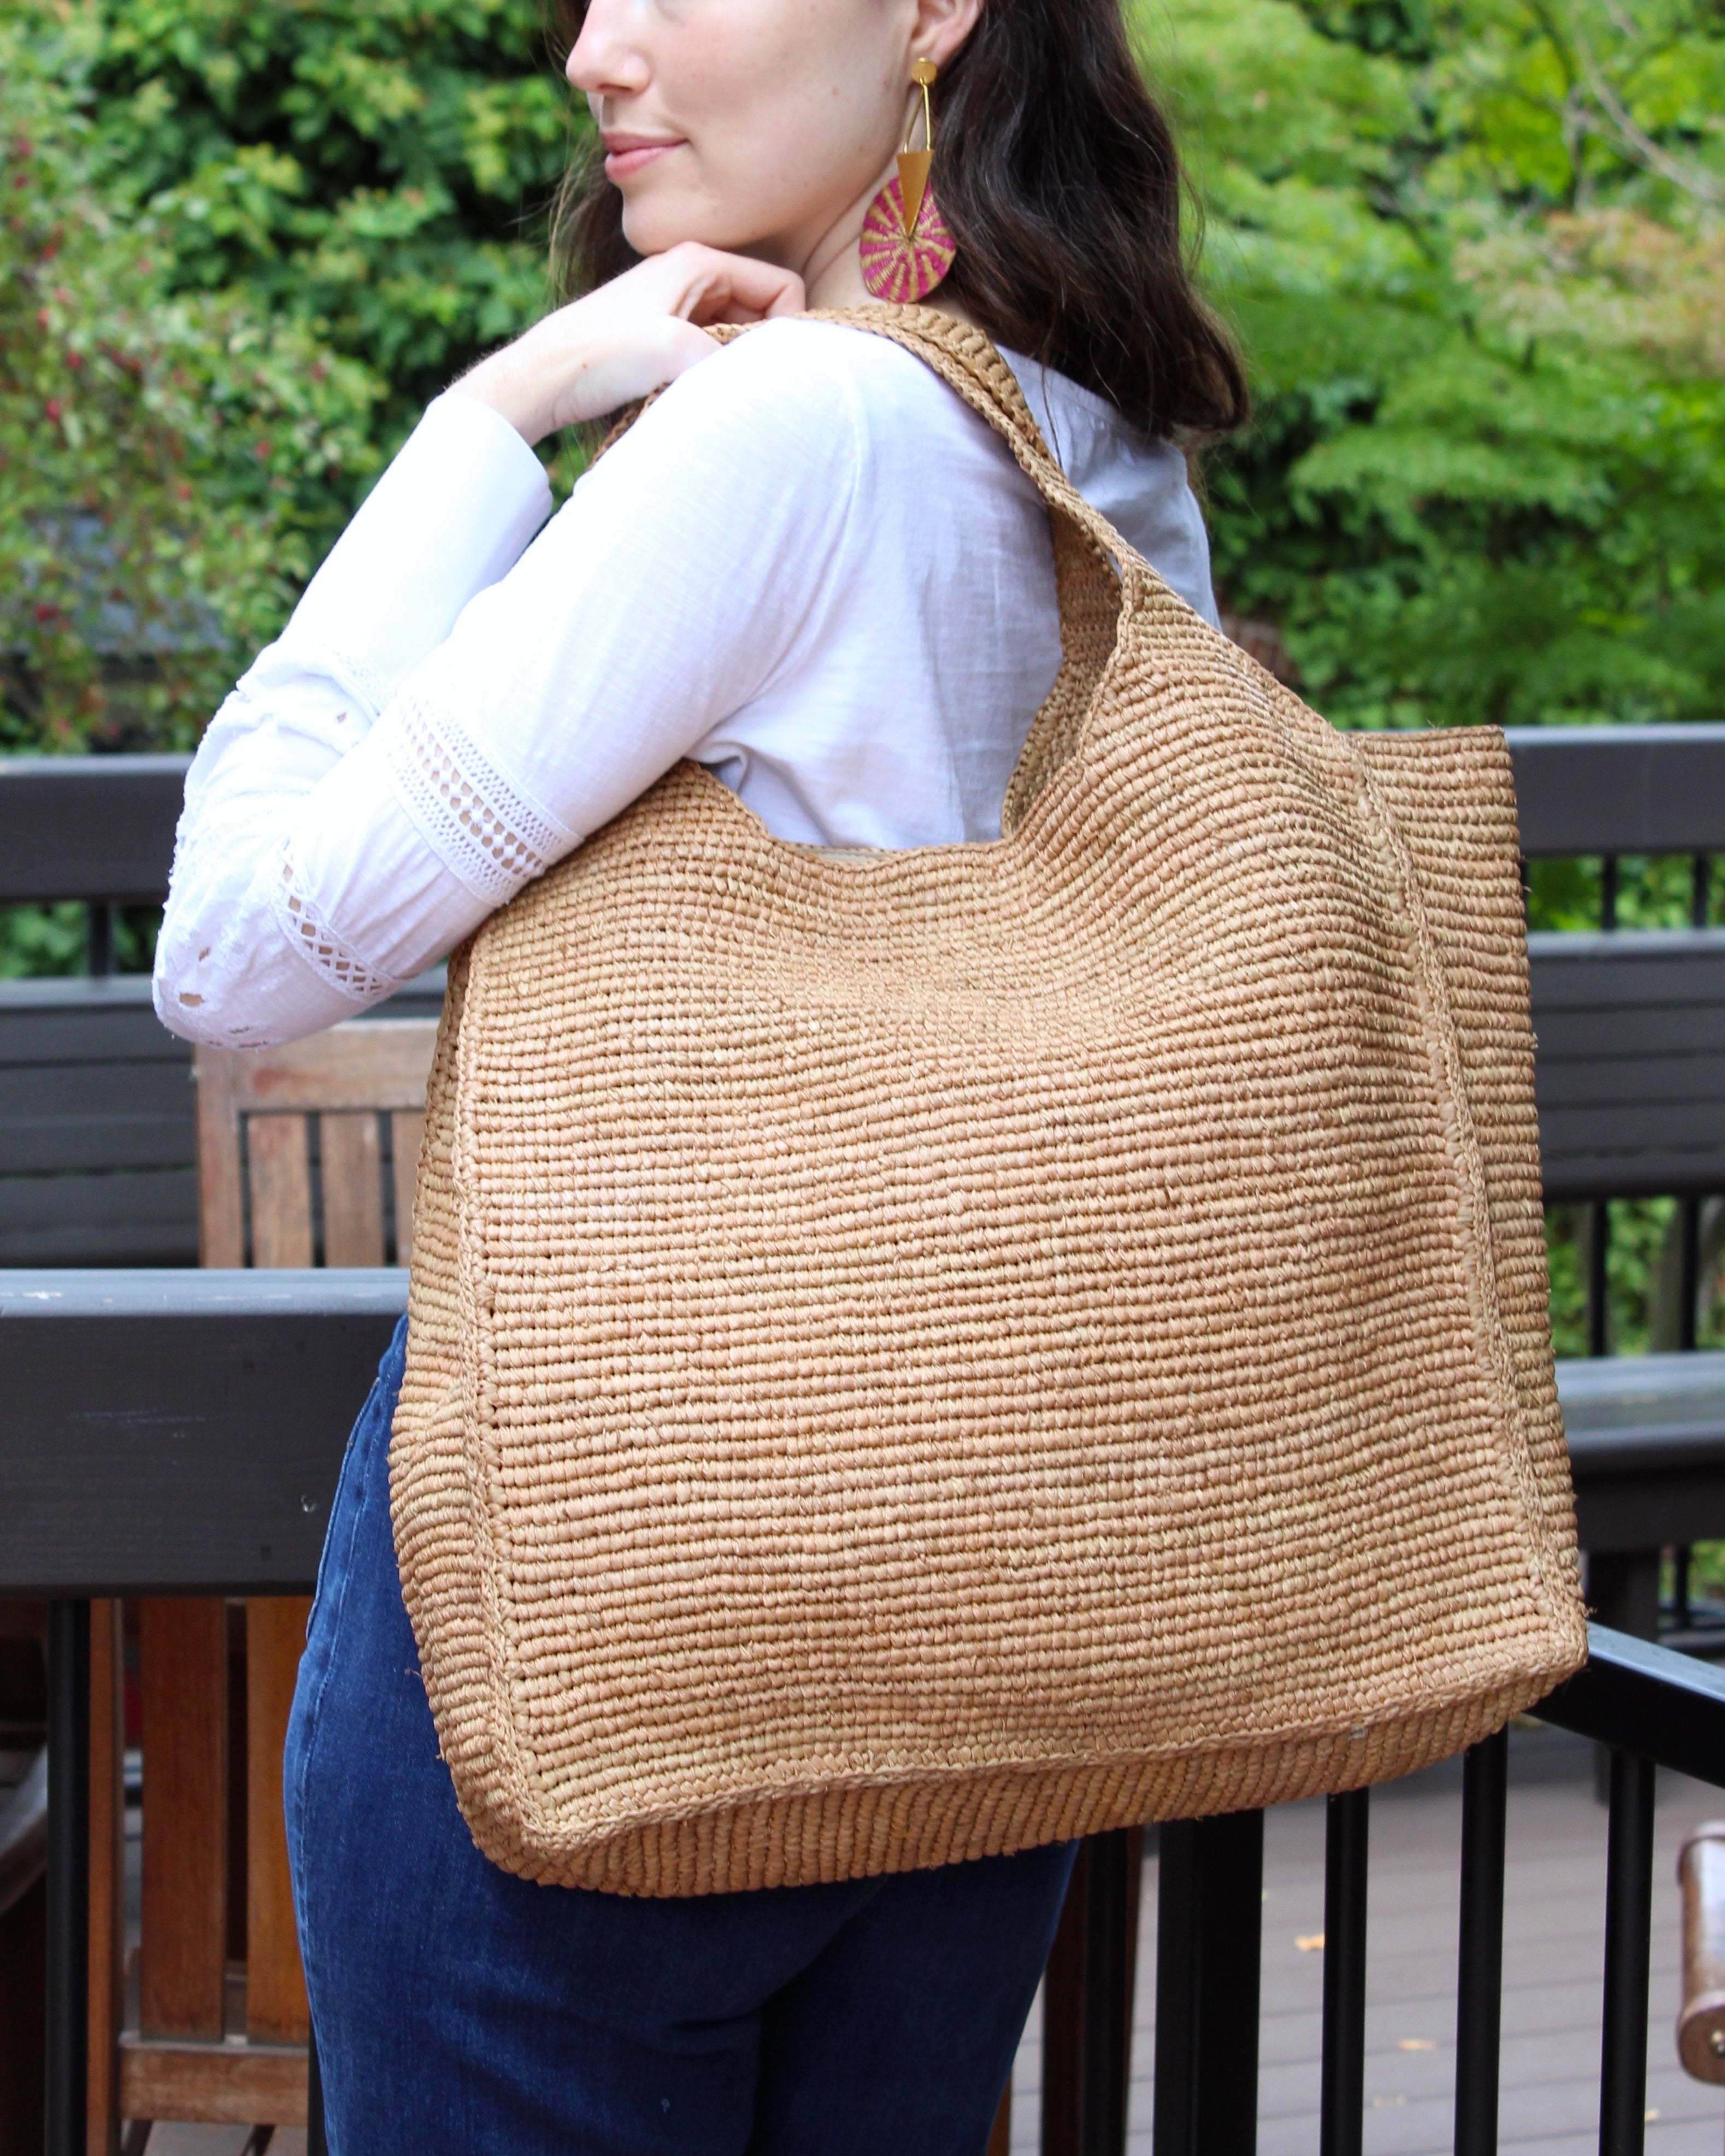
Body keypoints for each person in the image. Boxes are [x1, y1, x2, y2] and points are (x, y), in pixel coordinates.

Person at [153, 0, 1247, 2146]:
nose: (591, 49)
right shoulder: (1093, 439)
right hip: (971, 1589)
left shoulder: (796, 431)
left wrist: (498, 410)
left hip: (598, 1575)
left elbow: (238, 952)